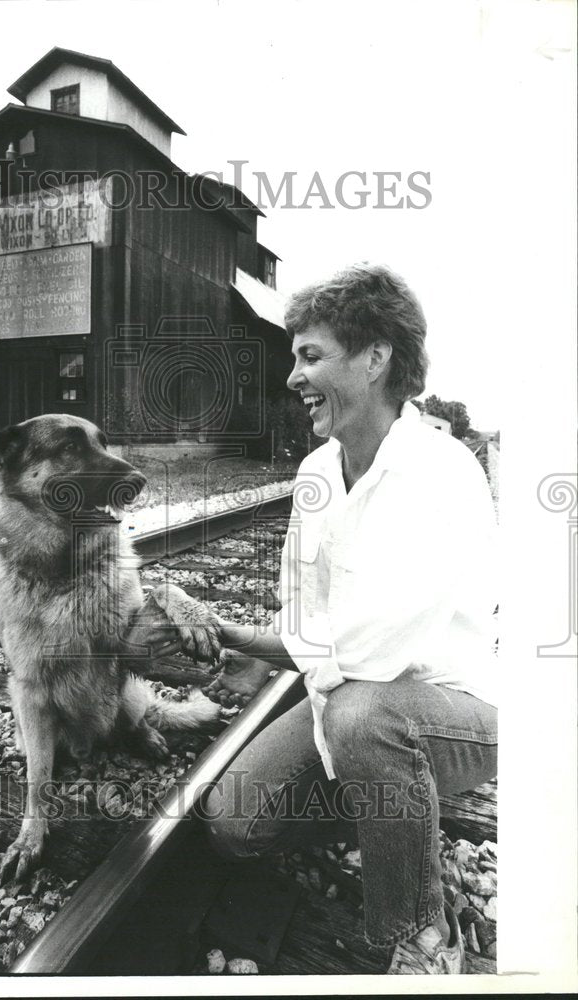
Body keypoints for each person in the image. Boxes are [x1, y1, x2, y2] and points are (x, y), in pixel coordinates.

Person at [201, 263, 498, 974]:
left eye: (310, 356)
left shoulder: (442, 471)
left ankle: (423, 931)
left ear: (374, 358)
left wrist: (277, 654)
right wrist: (242, 640)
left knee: (364, 718)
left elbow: (365, 653)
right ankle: (391, 807)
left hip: (450, 714)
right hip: (345, 702)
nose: (292, 378)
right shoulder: (315, 475)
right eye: (294, 357)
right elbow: (306, 613)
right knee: (231, 823)